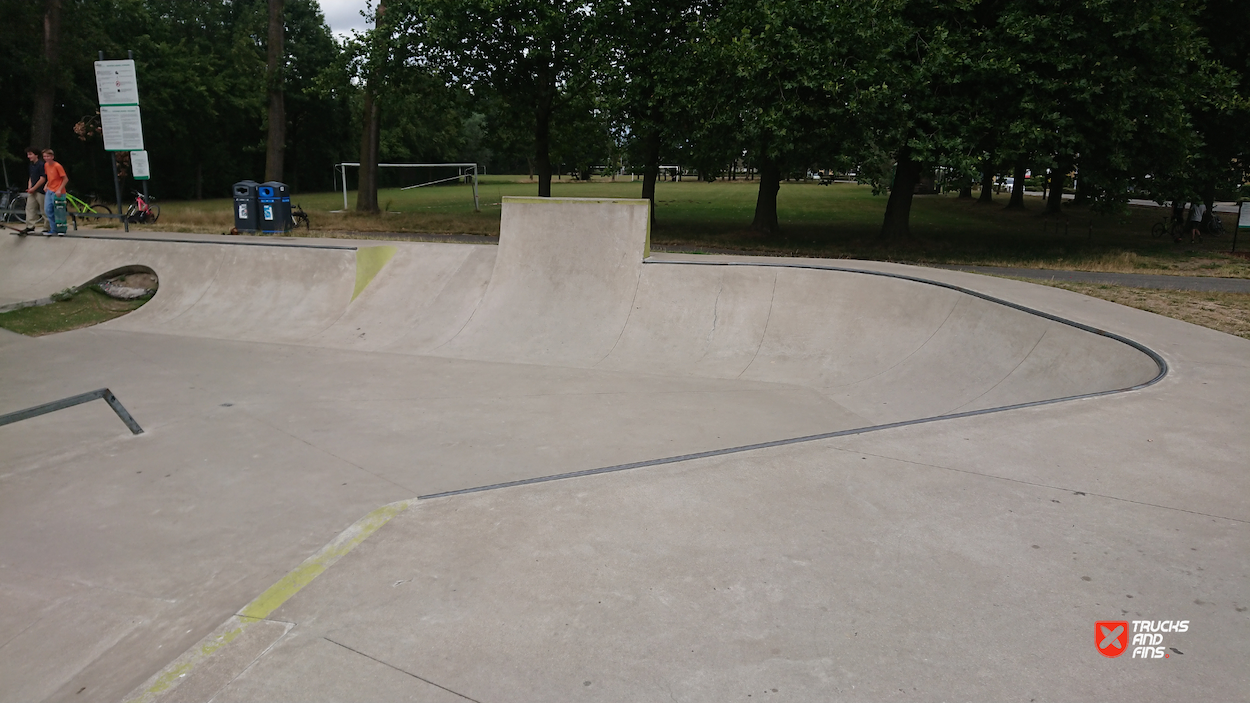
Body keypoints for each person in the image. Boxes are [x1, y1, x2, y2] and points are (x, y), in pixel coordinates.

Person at [41, 148, 67, 236]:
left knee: (59, 210)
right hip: (50, 189)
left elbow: (65, 179)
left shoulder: (57, 166)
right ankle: (53, 228)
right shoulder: (46, 165)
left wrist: (59, 189)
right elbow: (50, 177)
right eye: (44, 156)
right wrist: (46, 185)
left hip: (58, 191)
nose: (46, 158)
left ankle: (61, 229)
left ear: (52, 156)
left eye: (48, 156)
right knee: (48, 209)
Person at [23, 147, 47, 233]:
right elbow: (31, 177)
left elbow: (42, 178)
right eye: (28, 154)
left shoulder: (41, 165)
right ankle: (30, 226)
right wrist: (30, 187)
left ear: (36, 155)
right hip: (32, 190)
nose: (28, 156)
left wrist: (34, 188)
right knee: (30, 208)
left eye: (30, 154)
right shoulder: (31, 165)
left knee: (44, 209)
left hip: (40, 190)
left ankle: (47, 227)